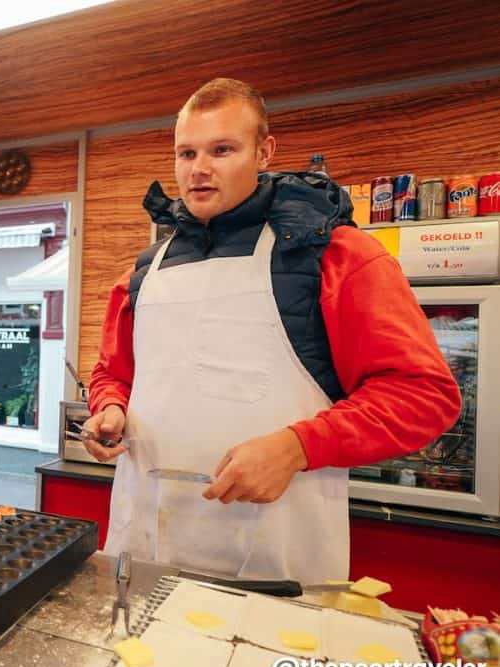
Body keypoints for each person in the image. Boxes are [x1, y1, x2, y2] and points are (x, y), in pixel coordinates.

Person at [83, 78, 461, 583]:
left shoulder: (337, 255)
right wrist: (110, 408)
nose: (199, 169)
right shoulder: (141, 274)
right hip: (142, 545)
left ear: (264, 152)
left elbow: (424, 395)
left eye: (222, 150)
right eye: (186, 153)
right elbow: (113, 373)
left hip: (274, 559)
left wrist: (297, 447)